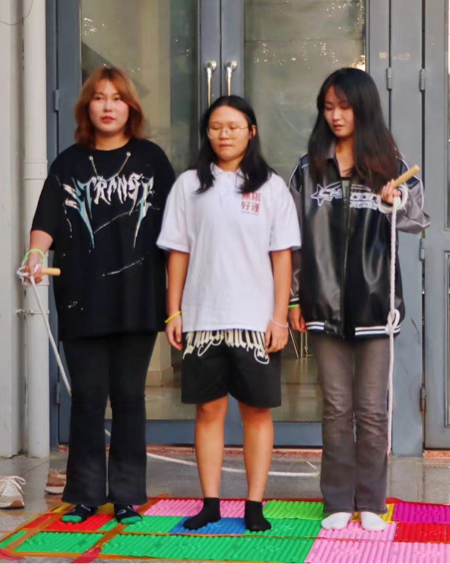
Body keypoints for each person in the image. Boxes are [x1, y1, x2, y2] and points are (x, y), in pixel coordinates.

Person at [23, 66, 175, 525]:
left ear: (131, 107)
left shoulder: (152, 159)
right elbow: (45, 221)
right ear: (86, 107)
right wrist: (35, 253)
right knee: (87, 398)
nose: (108, 106)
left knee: (129, 397)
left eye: (117, 98)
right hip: (81, 298)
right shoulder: (68, 163)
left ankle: (127, 496)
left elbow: (177, 229)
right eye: (99, 97)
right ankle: (85, 495)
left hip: (138, 298)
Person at [288, 68, 430, 531]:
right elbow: (291, 239)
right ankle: (335, 501)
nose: (336, 116)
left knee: (371, 408)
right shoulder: (308, 168)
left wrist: (396, 199)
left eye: (345, 107)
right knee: (335, 407)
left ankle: (370, 499)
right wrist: (294, 299)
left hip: (376, 303)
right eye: (328, 107)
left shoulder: (390, 162)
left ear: (363, 108)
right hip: (323, 303)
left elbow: (418, 219)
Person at [157, 96, 300, 532]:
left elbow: (282, 257)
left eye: (234, 126)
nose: (224, 134)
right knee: (208, 412)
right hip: (203, 318)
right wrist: (173, 312)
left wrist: (279, 317)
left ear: (251, 132)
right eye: (216, 126)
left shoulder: (271, 187)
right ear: (207, 132)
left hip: (256, 321)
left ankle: (254, 504)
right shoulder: (188, 185)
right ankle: (211, 503)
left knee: (257, 412)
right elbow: (178, 252)